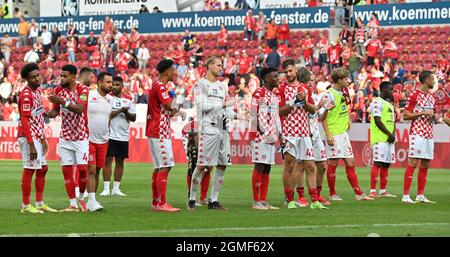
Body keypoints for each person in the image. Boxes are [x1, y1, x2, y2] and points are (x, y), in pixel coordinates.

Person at [319, 68, 374, 201]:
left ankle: (358, 193)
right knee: (333, 162)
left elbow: (343, 108)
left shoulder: (344, 92)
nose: (347, 81)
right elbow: (322, 116)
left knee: (351, 162)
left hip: (343, 133)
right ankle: (332, 194)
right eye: (345, 79)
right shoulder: (328, 95)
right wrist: (328, 134)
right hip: (334, 133)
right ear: (338, 81)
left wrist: (348, 119)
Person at [187, 56, 233, 211]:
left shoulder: (223, 86)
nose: (221, 68)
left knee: (222, 165)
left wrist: (239, 114)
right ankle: (192, 198)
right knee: (202, 165)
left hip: (222, 126)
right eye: (219, 65)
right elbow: (202, 106)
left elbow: (226, 109)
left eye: (222, 65)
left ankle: (213, 200)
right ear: (210, 66)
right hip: (208, 128)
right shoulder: (200, 84)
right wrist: (224, 104)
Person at [47, 65, 90, 212]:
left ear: (73, 76)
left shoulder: (83, 90)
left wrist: (62, 102)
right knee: (66, 171)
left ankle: (82, 198)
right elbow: (55, 111)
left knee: (83, 170)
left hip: (81, 136)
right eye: (61, 76)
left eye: (65, 76)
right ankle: (72, 204)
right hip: (65, 137)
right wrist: (44, 113)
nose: (62, 79)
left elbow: (79, 109)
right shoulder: (58, 90)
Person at [17, 63, 57, 214]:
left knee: (43, 168)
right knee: (29, 169)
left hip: (36, 135)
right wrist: (31, 144)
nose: (36, 78)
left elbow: (38, 116)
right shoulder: (26, 94)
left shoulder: (38, 92)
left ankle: (39, 203)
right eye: (32, 77)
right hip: (28, 136)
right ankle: (26, 205)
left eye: (37, 75)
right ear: (27, 79)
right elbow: (25, 120)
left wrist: (42, 137)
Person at [147, 59, 185, 212]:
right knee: (165, 166)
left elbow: (166, 110)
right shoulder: (161, 86)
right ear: (168, 71)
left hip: (155, 129)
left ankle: (156, 202)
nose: (175, 73)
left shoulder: (156, 85)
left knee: (158, 167)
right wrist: (176, 104)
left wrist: (174, 108)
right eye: (173, 70)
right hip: (159, 131)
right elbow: (169, 106)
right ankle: (162, 203)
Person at [402, 71, 440, 204]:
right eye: (432, 79)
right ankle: (406, 196)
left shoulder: (432, 98)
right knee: (413, 162)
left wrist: (435, 118)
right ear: (425, 80)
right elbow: (405, 116)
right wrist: (423, 112)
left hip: (429, 134)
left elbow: (434, 116)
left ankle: (420, 195)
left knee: (425, 164)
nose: (434, 82)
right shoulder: (414, 95)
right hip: (417, 133)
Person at [249, 67, 282, 210]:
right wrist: (262, 132)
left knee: (267, 167)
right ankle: (256, 202)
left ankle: (263, 200)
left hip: (271, 137)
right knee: (260, 166)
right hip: (260, 137)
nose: (278, 79)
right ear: (267, 78)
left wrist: (280, 134)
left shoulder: (274, 96)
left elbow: (276, 117)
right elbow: (252, 114)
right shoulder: (259, 93)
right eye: (275, 76)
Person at [102, 76, 136, 197]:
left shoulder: (129, 100)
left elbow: (133, 118)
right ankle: (106, 188)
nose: (114, 87)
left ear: (122, 86)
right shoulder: (108, 98)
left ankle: (116, 188)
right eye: (113, 84)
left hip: (123, 136)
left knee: (120, 162)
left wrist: (126, 111)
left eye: (117, 85)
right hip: (109, 134)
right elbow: (108, 115)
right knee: (108, 160)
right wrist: (121, 110)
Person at [85, 72, 113, 211]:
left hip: (103, 141)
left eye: (111, 82)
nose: (111, 85)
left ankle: (92, 199)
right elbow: (79, 109)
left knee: (96, 170)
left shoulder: (110, 100)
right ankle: (90, 200)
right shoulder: (89, 95)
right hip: (89, 139)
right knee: (90, 169)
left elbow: (108, 118)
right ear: (100, 83)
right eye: (108, 82)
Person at [368, 81, 397, 198]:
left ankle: (383, 190)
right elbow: (377, 121)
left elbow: (393, 122)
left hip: (389, 139)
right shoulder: (376, 102)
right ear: (383, 89)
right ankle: (372, 191)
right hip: (380, 138)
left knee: (386, 164)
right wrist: (389, 134)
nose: (392, 92)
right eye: (390, 90)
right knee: (378, 163)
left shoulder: (389, 105)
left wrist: (392, 135)